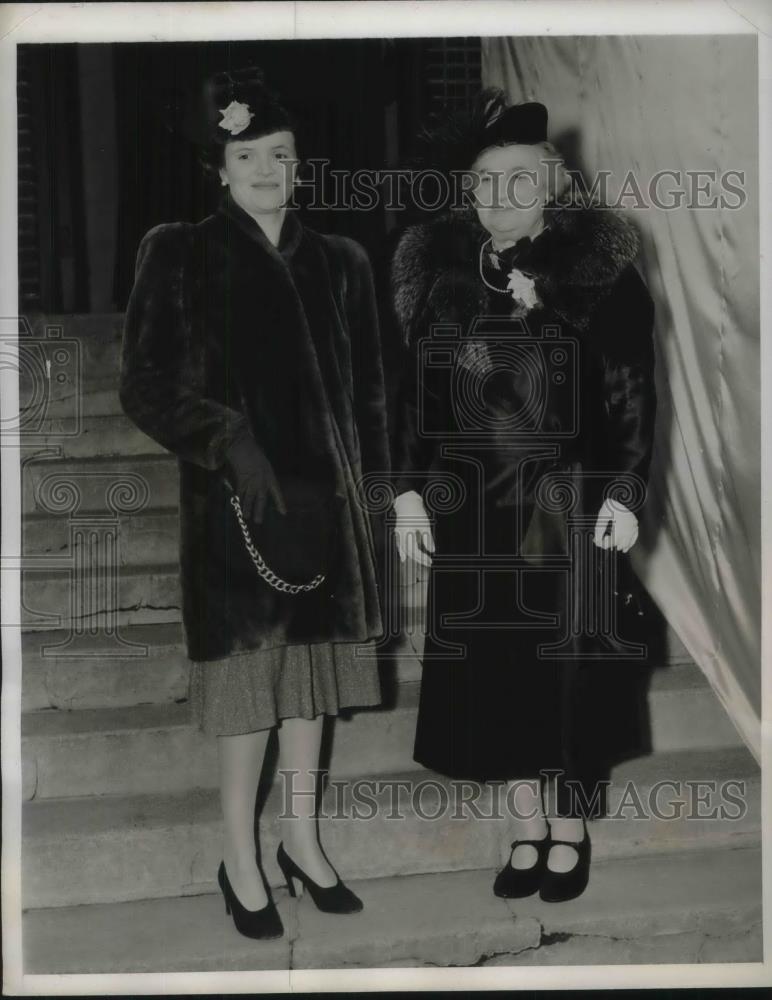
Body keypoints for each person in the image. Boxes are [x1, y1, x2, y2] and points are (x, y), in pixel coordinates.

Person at [120, 68, 389, 938]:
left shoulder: (344, 262)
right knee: (249, 700)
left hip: (329, 514)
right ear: (221, 168)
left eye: (281, 154)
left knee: (310, 697)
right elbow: (145, 383)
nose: (268, 169)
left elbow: (377, 398)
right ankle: (240, 859)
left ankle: (301, 844)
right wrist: (227, 438)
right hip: (238, 514)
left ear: (300, 163)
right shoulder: (180, 250)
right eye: (249, 155)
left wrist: (394, 495)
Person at [390, 90, 656, 903]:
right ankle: (525, 827)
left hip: (565, 502)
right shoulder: (439, 273)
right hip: (472, 506)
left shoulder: (599, 272)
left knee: (567, 671)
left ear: (550, 182)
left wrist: (624, 490)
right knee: (491, 668)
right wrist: (405, 490)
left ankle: (569, 829)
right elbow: (416, 397)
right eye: (483, 184)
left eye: (516, 180)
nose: (498, 198)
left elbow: (632, 387)